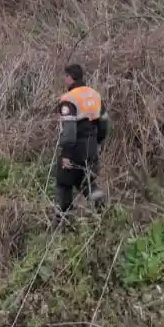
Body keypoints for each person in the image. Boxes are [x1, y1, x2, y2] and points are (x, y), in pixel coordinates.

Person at [55, 63, 110, 220]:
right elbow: (104, 123)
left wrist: (66, 155)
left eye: (65, 76)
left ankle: (64, 219)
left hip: (75, 148)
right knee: (86, 182)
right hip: (91, 147)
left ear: (70, 77)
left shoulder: (68, 99)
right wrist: (98, 143)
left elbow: (69, 131)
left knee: (64, 182)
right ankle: (103, 210)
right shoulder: (95, 95)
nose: (64, 80)